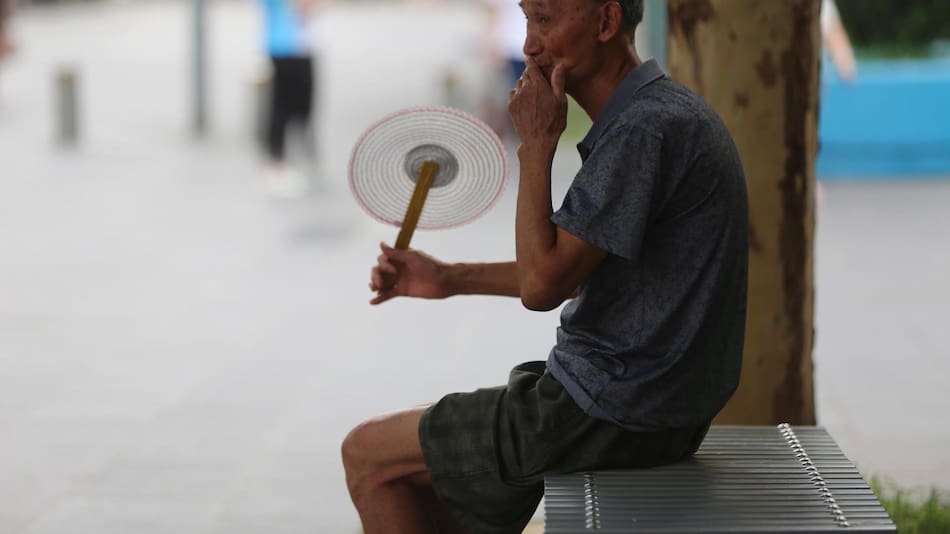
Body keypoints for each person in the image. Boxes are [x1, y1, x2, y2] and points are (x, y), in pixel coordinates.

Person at [341, 0, 749, 532]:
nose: (530, 44)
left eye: (547, 21)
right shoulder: (657, 114)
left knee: (368, 455)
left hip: (609, 410)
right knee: (428, 475)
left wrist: (537, 145)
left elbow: (542, 285)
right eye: (526, 19)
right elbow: (570, 266)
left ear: (605, 23)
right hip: (650, 408)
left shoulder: (643, 132)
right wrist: (449, 278)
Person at [258, 0, 328, 197]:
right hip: (287, 47)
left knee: (300, 108)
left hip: (300, 47)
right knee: (283, 108)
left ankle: (296, 161)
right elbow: (304, 7)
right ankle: (277, 163)